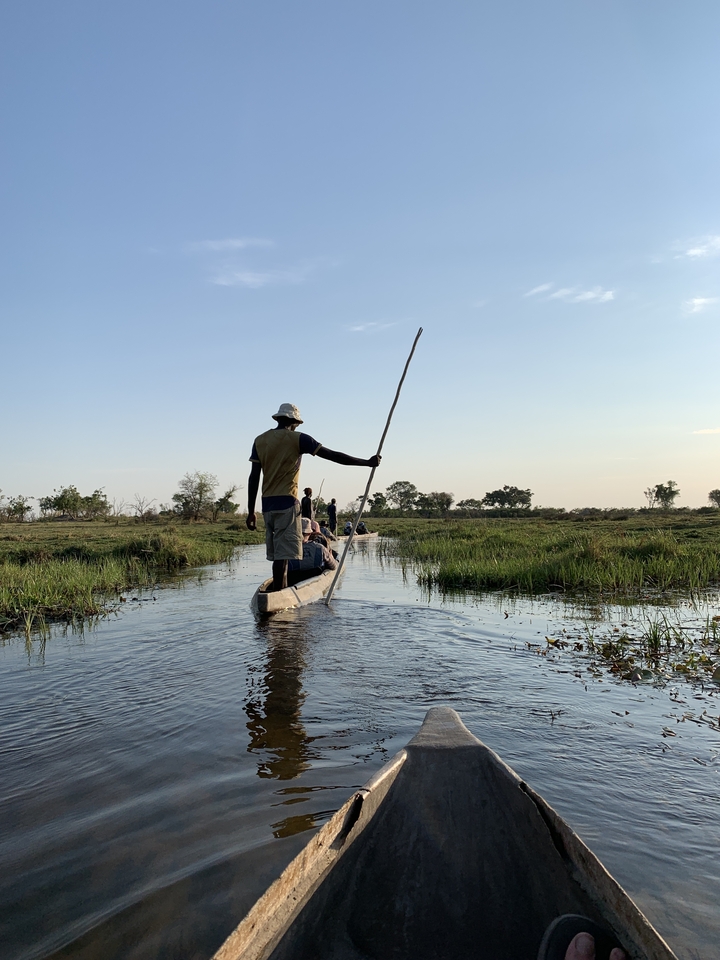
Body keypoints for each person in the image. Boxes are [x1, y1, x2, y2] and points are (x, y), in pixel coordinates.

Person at [247, 403, 380, 591]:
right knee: (283, 558)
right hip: (287, 503)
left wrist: (251, 511)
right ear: (295, 422)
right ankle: (281, 598)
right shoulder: (298, 439)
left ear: (278, 419)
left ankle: (278, 593)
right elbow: (333, 456)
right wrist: (367, 463)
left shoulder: (260, 440)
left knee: (278, 556)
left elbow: (253, 477)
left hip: (267, 505)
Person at [286, 518, 337, 585]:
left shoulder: (286, 549)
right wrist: (330, 556)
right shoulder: (320, 548)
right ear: (310, 533)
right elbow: (333, 566)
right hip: (314, 581)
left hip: (292, 580)